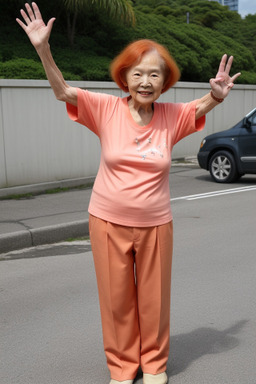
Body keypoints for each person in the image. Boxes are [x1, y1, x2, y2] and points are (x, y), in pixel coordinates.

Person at [16, 3, 241, 384]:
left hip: (155, 224)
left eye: (154, 74)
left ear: (163, 80)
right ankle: (122, 367)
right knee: (117, 300)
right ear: (125, 77)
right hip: (106, 221)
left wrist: (217, 96)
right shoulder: (105, 109)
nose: (146, 81)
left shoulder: (171, 116)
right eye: (138, 73)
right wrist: (43, 49)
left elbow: (200, 104)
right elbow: (63, 92)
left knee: (153, 299)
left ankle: (153, 364)